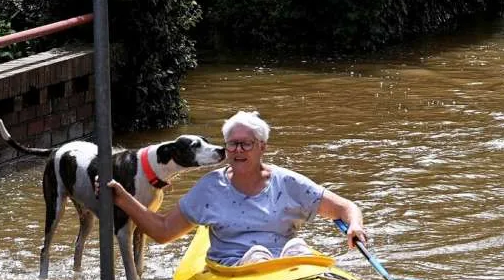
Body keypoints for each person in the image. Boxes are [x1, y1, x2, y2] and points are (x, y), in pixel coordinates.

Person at [105, 110, 367, 266]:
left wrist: (355, 225)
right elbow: (163, 232)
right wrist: (123, 199)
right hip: (236, 271)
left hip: (288, 268)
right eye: (232, 144)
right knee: (256, 255)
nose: (237, 151)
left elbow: (344, 208)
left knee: (297, 248)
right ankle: (257, 260)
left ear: (262, 147)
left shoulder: (287, 182)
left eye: (246, 144)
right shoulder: (210, 188)